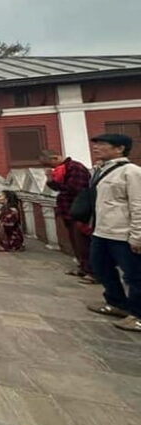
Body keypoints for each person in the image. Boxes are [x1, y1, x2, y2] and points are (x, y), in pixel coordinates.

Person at [86, 134, 141, 333]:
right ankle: (116, 303)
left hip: (123, 233)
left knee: (134, 275)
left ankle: (138, 314)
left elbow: (138, 204)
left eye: (102, 145)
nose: (97, 148)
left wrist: (137, 235)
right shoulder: (101, 170)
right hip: (102, 231)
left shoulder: (131, 172)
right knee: (102, 269)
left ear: (119, 149)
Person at [39, 150, 93, 281]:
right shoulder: (63, 169)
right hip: (68, 210)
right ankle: (82, 267)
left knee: (83, 243)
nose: (52, 167)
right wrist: (50, 180)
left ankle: (92, 271)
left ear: (55, 157)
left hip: (79, 210)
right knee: (75, 242)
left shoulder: (75, 167)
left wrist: (55, 181)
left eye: (50, 163)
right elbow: (58, 188)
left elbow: (74, 189)